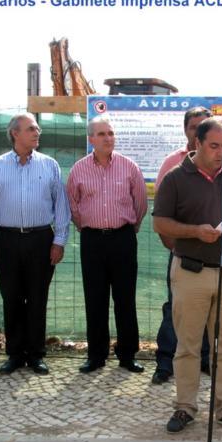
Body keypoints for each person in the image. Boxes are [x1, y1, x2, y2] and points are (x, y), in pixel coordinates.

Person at [153, 118, 222, 433]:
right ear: (196, 143)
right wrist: (195, 231)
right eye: (214, 146)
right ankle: (185, 407)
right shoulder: (175, 178)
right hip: (190, 272)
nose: (221, 152)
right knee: (188, 345)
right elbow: (160, 223)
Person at [0, 112, 70, 376]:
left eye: (37, 129)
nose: (37, 133)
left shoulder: (49, 165)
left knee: (38, 297)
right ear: (15, 133)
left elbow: (61, 206)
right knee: (11, 297)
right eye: (31, 129)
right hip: (6, 240)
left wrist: (59, 240)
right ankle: (15, 354)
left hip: (41, 239)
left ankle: (36, 354)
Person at [66, 115, 148, 374]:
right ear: (91, 139)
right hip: (92, 241)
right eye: (102, 134)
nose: (108, 138)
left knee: (125, 298)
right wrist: (86, 226)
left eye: (111, 133)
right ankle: (96, 355)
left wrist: (129, 228)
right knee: (95, 298)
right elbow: (73, 205)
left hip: (123, 239)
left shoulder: (129, 167)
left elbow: (140, 203)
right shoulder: (78, 170)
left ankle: (127, 355)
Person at [152, 107, 212, 385]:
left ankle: (204, 359)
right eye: (193, 127)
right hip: (180, 251)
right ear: (186, 130)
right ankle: (165, 361)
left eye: (204, 126)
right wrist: (173, 245)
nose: (198, 132)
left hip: (211, 251)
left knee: (208, 307)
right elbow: (161, 212)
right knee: (175, 306)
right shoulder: (171, 163)